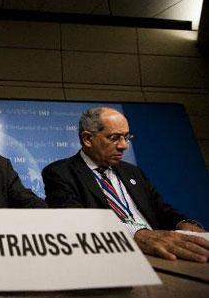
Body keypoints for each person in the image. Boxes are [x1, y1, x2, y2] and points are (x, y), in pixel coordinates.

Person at [42, 107, 208, 262]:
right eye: (114, 138)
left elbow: (160, 209)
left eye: (126, 137)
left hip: (160, 251)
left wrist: (183, 224)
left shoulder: (133, 172)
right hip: (113, 256)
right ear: (87, 139)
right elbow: (76, 221)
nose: (124, 146)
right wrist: (137, 235)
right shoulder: (60, 173)